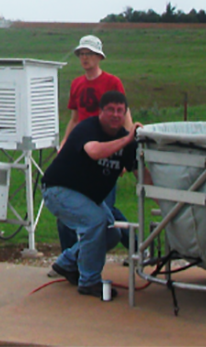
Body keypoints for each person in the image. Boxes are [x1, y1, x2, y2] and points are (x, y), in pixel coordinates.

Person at [42, 91, 143, 298]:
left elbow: (140, 174)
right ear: (101, 112)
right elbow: (95, 152)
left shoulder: (127, 142)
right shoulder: (87, 128)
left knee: (111, 233)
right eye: (111, 110)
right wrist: (127, 139)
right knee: (95, 222)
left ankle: (67, 263)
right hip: (58, 189)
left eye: (120, 111)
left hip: (87, 195)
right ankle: (89, 282)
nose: (116, 115)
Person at [56, 35, 133, 251]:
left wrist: (127, 148)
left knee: (103, 207)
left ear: (99, 57)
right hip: (83, 152)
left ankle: (137, 247)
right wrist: (64, 144)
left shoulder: (112, 82)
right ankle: (69, 258)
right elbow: (75, 118)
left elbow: (123, 115)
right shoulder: (77, 84)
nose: (85, 58)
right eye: (82, 54)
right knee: (73, 204)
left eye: (89, 54)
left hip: (107, 150)